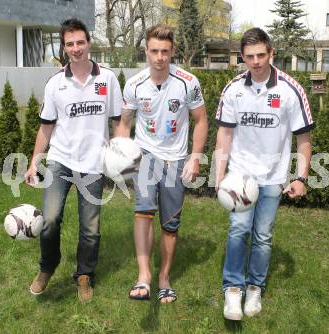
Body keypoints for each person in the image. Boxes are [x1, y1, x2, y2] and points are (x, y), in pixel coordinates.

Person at [215, 27, 314, 320]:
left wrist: (301, 177)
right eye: (249, 56)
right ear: (241, 58)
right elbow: (224, 134)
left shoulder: (290, 89)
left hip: (273, 176)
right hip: (241, 176)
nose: (256, 61)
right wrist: (219, 175)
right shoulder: (233, 89)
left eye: (261, 55)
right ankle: (233, 290)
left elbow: (303, 138)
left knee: (262, 235)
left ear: (271, 53)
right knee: (238, 229)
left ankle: (255, 287)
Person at [24, 18, 123, 303]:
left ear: (89, 43)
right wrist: (34, 163)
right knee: (50, 219)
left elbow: (118, 121)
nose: (76, 48)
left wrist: (119, 153)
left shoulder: (107, 79)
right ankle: (47, 267)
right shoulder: (55, 83)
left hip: (93, 164)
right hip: (60, 160)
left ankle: (84, 275)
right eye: (70, 44)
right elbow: (46, 127)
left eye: (81, 42)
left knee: (90, 228)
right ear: (64, 48)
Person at [116, 24, 208, 303]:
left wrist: (195, 157)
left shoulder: (187, 82)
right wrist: (123, 152)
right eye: (154, 51)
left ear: (173, 51)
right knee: (143, 212)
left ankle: (164, 277)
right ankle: (144, 276)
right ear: (146, 50)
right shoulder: (134, 84)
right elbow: (124, 123)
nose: (159, 57)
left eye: (165, 51)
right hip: (145, 157)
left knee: (170, 223)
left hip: (176, 160)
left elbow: (201, 120)